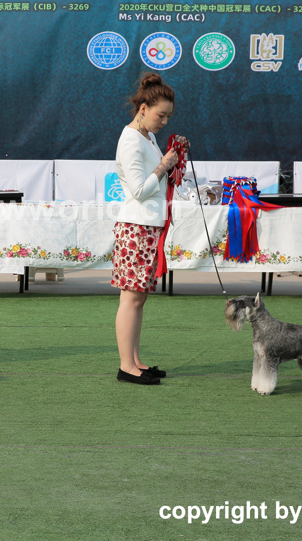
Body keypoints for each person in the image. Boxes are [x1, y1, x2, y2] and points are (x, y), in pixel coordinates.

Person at [111, 73, 185, 385]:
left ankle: (135, 361)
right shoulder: (130, 139)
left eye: (168, 116)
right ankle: (126, 366)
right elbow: (139, 190)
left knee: (138, 298)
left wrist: (170, 161)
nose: (164, 121)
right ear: (143, 108)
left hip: (148, 226)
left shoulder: (147, 137)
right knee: (131, 298)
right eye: (160, 115)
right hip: (136, 227)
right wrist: (165, 164)